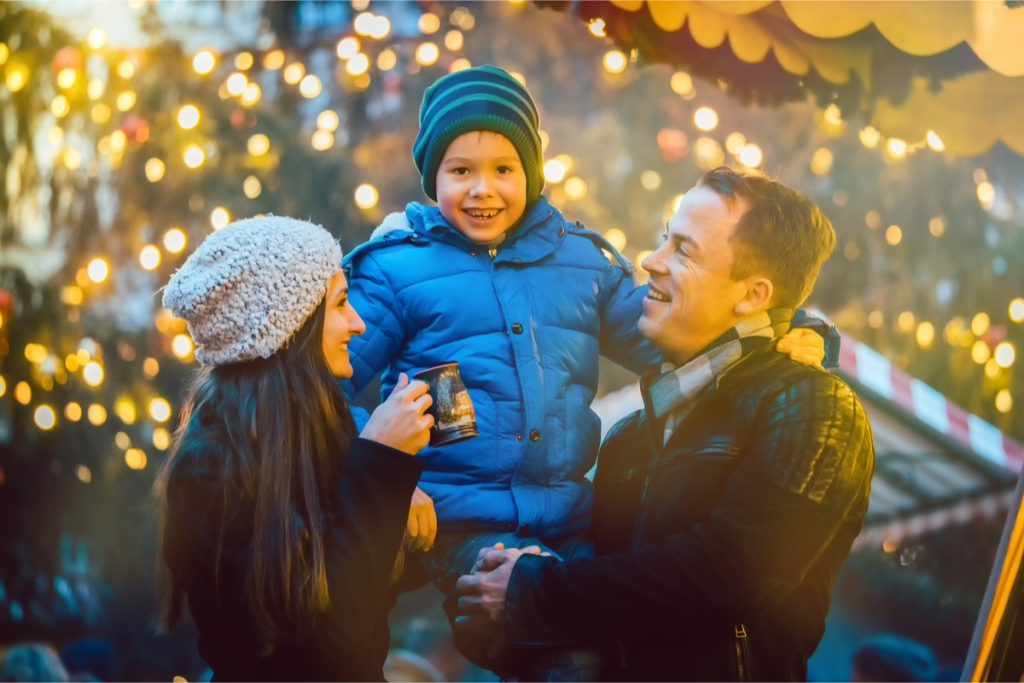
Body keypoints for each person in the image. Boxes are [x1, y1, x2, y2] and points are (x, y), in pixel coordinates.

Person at [343, 66, 831, 674]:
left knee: (615, 643)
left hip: (570, 517)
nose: (482, 190)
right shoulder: (398, 270)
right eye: (459, 170)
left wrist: (789, 333)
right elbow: (320, 383)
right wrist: (384, 472)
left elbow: (672, 338)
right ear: (431, 177)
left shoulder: (580, 262)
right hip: (464, 519)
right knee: (571, 661)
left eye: (504, 169)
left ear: (532, 172)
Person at [454, 167, 876, 682]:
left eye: (684, 250)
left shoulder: (814, 405)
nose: (651, 262)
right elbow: (605, 608)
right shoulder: (630, 437)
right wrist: (497, 622)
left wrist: (532, 593)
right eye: (662, 240)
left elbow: (733, 573)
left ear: (753, 295)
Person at [155, 216, 433, 681]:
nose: (358, 324)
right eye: (341, 303)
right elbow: (324, 648)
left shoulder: (319, 437)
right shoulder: (211, 474)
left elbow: (368, 587)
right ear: (290, 327)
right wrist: (381, 467)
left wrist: (408, 516)